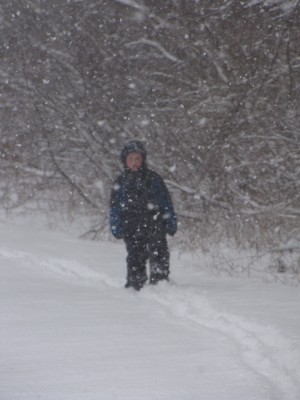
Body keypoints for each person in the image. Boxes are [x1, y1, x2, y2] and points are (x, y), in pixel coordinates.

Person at [109, 139, 177, 290]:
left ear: (143, 159)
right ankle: (135, 283)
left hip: (155, 222)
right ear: (125, 161)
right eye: (131, 159)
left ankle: (160, 282)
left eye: (138, 158)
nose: (135, 162)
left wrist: (170, 221)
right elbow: (114, 208)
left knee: (159, 252)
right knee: (135, 256)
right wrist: (116, 226)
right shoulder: (121, 182)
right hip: (131, 225)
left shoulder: (153, 179)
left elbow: (165, 201)